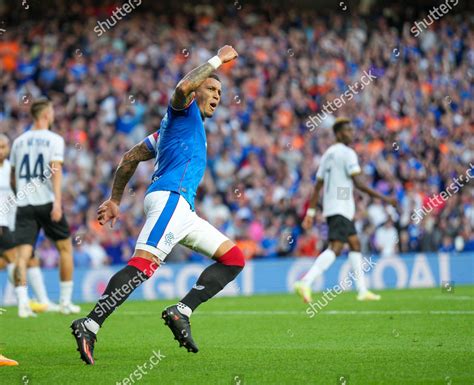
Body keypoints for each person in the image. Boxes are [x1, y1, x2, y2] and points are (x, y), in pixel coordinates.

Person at [71, 45, 245, 365]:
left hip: (184, 210)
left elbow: (130, 157)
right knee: (142, 267)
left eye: (221, 91)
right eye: (212, 87)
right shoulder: (184, 108)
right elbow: (181, 87)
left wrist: (115, 199)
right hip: (170, 199)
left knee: (234, 258)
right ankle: (90, 324)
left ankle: (181, 310)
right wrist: (217, 60)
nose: (218, 95)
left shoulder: (169, 129)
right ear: (198, 90)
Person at [294, 118, 396, 303]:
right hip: (340, 208)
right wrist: (385, 198)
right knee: (336, 247)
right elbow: (358, 183)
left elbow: (317, 186)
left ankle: (362, 290)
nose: (352, 133)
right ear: (339, 133)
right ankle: (306, 281)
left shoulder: (327, 154)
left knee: (355, 244)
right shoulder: (348, 153)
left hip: (334, 208)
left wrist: (310, 213)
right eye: (348, 130)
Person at [9, 99, 80, 317]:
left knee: (22, 256)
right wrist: (57, 202)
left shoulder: (18, 142)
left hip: (23, 204)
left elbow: (12, 177)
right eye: (52, 112)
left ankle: (22, 304)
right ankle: (65, 302)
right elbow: (55, 170)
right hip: (47, 202)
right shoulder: (54, 139)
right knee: (65, 248)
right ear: (46, 115)